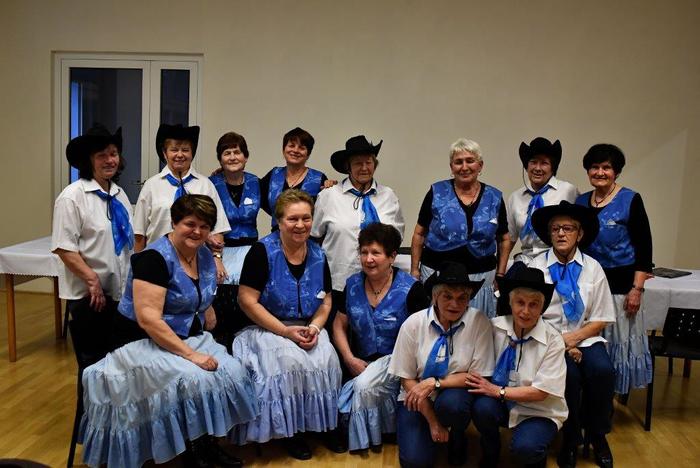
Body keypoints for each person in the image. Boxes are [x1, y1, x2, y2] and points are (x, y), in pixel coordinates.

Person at [79, 195, 258, 468]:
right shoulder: (152, 259)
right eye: (190, 224)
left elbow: (198, 291)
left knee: (232, 370)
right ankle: (191, 449)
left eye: (204, 226)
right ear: (174, 222)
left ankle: (205, 443)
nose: (197, 231)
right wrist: (192, 355)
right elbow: (149, 320)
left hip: (186, 334)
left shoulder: (203, 255)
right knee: (196, 378)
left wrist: (206, 307)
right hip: (142, 341)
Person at [231, 190, 344, 460]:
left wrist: (315, 328)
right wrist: (284, 331)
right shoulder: (261, 251)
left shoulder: (318, 254)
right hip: (267, 327)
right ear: (279, 221)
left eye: (306, 218)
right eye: (293, 219)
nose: (300, 225)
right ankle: (290, 432)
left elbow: (326, 301)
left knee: (327, 358)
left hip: (307, 325)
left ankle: (322, 426)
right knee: (289, 361)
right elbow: (247, 300)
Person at [530, 201, 615, 468]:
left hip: (585, 337)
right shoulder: (536, 267)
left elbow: (602, 317)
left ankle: (598, 435)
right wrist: (562, 344)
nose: (561, 233)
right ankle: (570, 438)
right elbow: (530, 316)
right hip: (549, 339)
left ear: (580, 234)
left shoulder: (593, 267)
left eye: (568, 228)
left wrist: (573, 340)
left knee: (603, 371)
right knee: (569, 376)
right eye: (555, 228)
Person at [388, 261, 495, 467]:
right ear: (435, 297)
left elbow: (479, 376)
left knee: (453, 406)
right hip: (417, 396)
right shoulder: (413, 324)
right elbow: (406, 379)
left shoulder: (479, 322)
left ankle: (457, 435)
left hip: (454, 394)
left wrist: (434, 383)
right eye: (447, 296)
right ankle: (435, 430)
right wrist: (433, 422)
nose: (455, 304)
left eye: (462, 298)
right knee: (415, 462)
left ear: (469, 300)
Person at [333, 223, 429, 452]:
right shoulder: (352, 285)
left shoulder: (411, 289)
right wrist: (348, 358)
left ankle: (368, 432)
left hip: (399, 364)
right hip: (360, 361)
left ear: (392, 257)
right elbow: (338, 324)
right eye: (364, 252)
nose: (368, 259)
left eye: (376, 253)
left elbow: (424, 337)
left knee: (363, 386)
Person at [466, 267, 567, 468]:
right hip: (503, 404)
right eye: (520, 302)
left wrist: (498, 391)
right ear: (510, 302)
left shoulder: (553, 340)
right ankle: (491, 448)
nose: (526, 311)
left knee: (525, 448)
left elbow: (540, 393)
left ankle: (535, 456)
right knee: (481, 408)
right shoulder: (494, 327)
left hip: (539, 411)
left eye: (533, 304)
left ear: (542, 307)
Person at [575, 144, 653, 396]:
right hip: (588, 286)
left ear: (616, 172)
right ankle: (591, 399)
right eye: (594, 167)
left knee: (616, 345)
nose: (600, 172)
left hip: (621, 287)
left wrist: (637, 289)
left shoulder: (630, 199)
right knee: (592, 347)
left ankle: (610, 400)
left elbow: (644, 248)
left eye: (606, 167)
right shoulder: (580, 201)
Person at [52, 124, 133, 358]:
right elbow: (64, 248)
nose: (110, 160)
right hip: (90, 296)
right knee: (93, 364)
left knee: (117, 361)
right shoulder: (72, 197)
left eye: (113, 154)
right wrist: (92, 279)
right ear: (89, 161)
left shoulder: (119, 194)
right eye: (101, 155)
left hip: (118, 294)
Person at [410, 138, 510, 318]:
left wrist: (501, 274)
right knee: (438, 325)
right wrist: (414, 270)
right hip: (438, 276)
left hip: (480, 279)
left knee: (476, 327)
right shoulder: (436, 192)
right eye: (458, 162)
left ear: (480, 165)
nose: (464, 167)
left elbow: (504, 239)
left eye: (470, 161)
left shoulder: (494, 197)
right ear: (451, 167)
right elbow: (419, 233)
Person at [311, 135, 405, 320]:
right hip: (339, 283)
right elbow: (315, 237)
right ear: (348, 167)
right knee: (338, 331)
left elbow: (396, 237)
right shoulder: (329, 196)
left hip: (380, 286)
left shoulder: (389, 196)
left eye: (368, 162)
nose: (364, 168)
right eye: (357, 163)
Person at [133, 123, 230, 251]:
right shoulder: (151, 186)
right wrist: (139, 261)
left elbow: (218, 230)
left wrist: (217, 257)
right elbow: (139, 234)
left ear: (192, 153)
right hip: (158, 257)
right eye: (174, 150)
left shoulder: (205, 185)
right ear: (165, 153)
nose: (180, 155)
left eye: (185, 150)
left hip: (197, 259)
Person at [208, 131, 261, 349]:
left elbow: (284, 202)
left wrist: (325, 185)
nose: (232, 157)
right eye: (226, 153)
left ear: (246, 156)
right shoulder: (210, 184)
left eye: (237, 152)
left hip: (250, 253)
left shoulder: (257, 182)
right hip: (220, 253)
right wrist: (215, 256)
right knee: (222, 308)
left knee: (248, 306)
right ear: (220, 159)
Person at [503, 137, 579, 272]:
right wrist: (500, 271)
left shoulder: (569, 191)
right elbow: (510, 238)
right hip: (526, 262)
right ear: (526, 166)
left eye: (544, 163)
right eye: (533, 162)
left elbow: (579, 230)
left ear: (552, 167)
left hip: (559, 262)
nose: (537, 168)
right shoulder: (515, 197)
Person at [260, 127, 328, 230]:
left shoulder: (319, 179)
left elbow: (325, 211)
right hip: (277, 235)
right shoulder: (274, 174)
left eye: (301, 147)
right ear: (284, 150)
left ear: (308, 154)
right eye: (291, 146)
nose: (295, 150)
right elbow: (260, 200)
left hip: (306, 235)